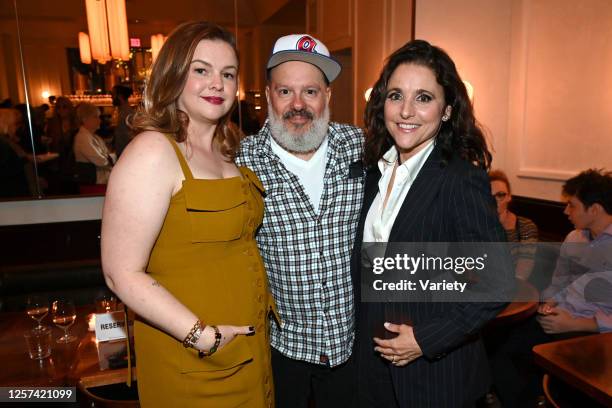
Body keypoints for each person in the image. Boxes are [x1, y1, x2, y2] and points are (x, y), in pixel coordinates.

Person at [101, 21, 276, 407]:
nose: (217, 83)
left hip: (247, 354)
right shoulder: (153, 152)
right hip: (193, 359)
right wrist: (202, 336)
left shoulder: (230, 149)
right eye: (201, 70)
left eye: (227, 74)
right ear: (174, 75)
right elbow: (120, 272)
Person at [353, 39, 513, 407]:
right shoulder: (373, 174)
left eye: (423, 97)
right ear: (382, 103)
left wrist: (425, 339)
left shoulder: (459, 179)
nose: (406, 111)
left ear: (445, 110)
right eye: (396, 95)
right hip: (373, 369)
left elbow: (498, 282)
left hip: (433, 377)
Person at [236, 34, 364, 408]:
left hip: (354, 352)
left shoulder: (363, 147)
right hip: (283, 353)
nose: (297, 105)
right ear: (268, 95)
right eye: (285, 92)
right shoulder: (240, 162)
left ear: (328, 95)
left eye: (310, 91)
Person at [491, 169, 612, 407]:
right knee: (495, 351)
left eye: (572, 206)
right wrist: (549, 304)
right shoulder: (574, 238)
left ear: (595, 209)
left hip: (594, 334)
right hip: (557, 317)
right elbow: (559, 283)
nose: (565, 211)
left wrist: (576, 324)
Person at [489, 169, 539, 280]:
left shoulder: (526, 226)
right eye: (489, 196)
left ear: (509, 197)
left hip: (513, 287)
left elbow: (523, 270)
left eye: (500, 195)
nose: (495, 201)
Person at [73, 102, 114, 185]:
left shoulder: (93, 136)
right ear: (84, 119)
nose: (99, 120)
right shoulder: (83, 138)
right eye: (95, 117)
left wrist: (109, 158)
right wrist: (110, 158)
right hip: (93, 184)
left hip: (102, 181)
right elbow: (101, 161)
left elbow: (107, 157)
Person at [111, 85, 134, 158]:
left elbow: (131, 135)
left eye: (113, 94)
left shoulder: (127, 113)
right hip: (122, 151)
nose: (111, 97)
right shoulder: (120, 111)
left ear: (120, 96)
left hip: (126, 153)